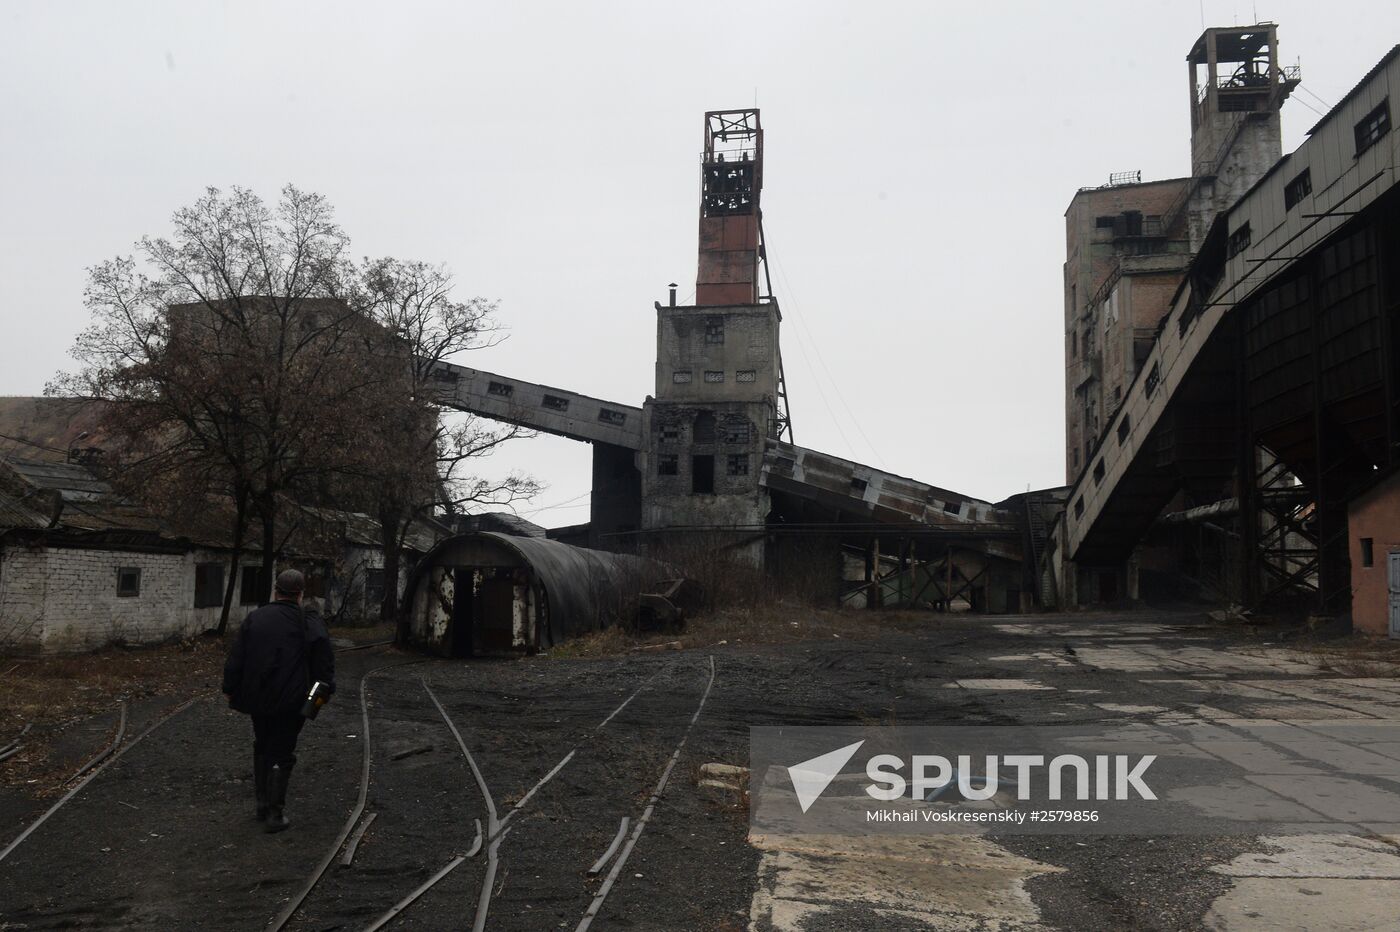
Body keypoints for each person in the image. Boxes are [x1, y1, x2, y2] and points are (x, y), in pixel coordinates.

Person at [221, 568, 335, 833]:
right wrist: (322, 695)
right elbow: (324, 664)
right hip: (292, 701)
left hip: (258, 699)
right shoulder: (308, 621)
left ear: (276, 590)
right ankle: (275, 813)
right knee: (282, 751)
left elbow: (237, 657)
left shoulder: (255, 618)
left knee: (262, 744)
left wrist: (230, 688)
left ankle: (261, 805)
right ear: (300, 594)